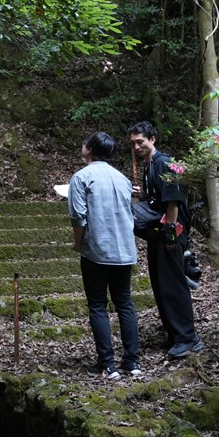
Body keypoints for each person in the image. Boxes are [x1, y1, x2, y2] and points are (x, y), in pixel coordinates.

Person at [128, 120, 204, 359]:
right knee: (161, 284)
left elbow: (172, 202)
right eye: (133, 143)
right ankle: (174, 333)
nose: (137, 147)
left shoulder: (164, 163)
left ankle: (187, 338)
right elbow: (158, 198)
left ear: (153, 139)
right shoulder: (149, 166)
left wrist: (172, 235)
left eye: (141, 142)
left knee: (173, 284)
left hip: (170, 232)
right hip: (158, 233)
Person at [67, 132, 141, 379]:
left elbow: (79, 217)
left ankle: (107, 364)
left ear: (89, 149)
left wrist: (78, 244)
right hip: (124, 250)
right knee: (125, 303)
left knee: (98, 306)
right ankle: (132, 362)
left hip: (97, 250)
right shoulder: (122, 178)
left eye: (84, 143)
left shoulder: (81, 177)